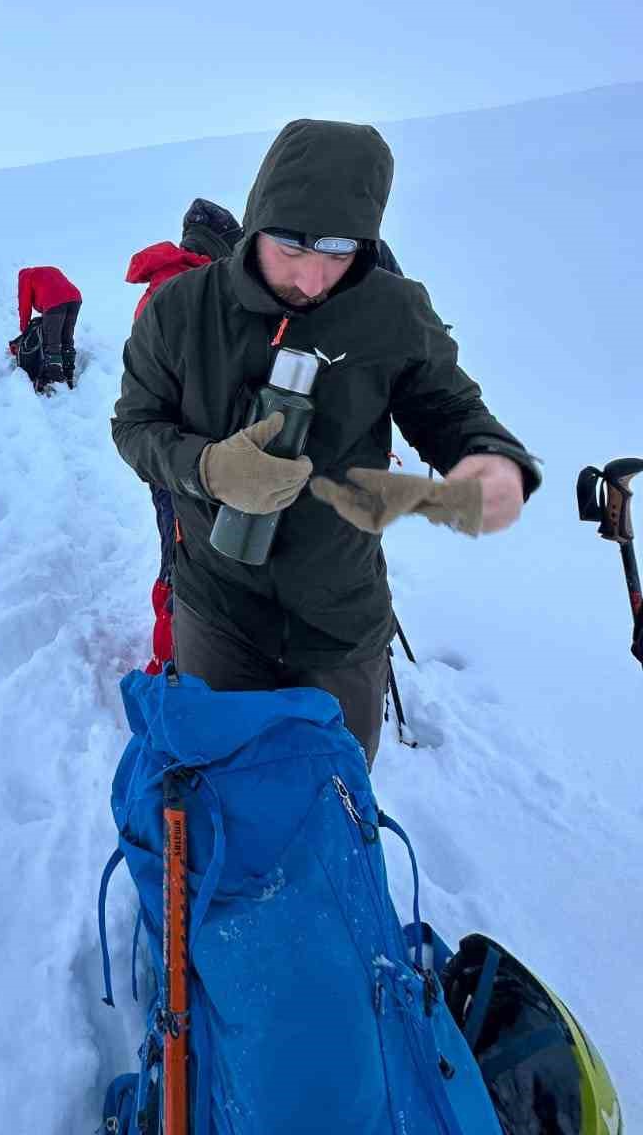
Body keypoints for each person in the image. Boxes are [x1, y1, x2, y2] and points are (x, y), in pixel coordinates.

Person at [111, 120, 540, 765]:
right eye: (292, 248)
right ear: (257, 221)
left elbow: (446, 404)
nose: (313, 281)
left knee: (334, 799)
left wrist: (486, 457)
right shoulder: (181, 310)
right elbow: (135, 426)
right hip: (218, 609)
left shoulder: (391, 310)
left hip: (341, 620)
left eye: (339, 254)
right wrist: (206, 468)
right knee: (219, 789)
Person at [124, 199, 242, 673]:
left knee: (182, 554)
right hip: (190, 460)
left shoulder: (163, 285)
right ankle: (173, 668)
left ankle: (183, 660)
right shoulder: (187, 290)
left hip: (178, 455)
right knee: (186, 561)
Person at [17, 266, 82, 391]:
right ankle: (69, 375)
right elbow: (57, 287)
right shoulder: (50, 270)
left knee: (52, 343)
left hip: (54, 301)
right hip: (75, 298)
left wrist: (24, 331)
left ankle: (55, 381)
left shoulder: (25, 277)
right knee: (66, 339)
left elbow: (24, 306)